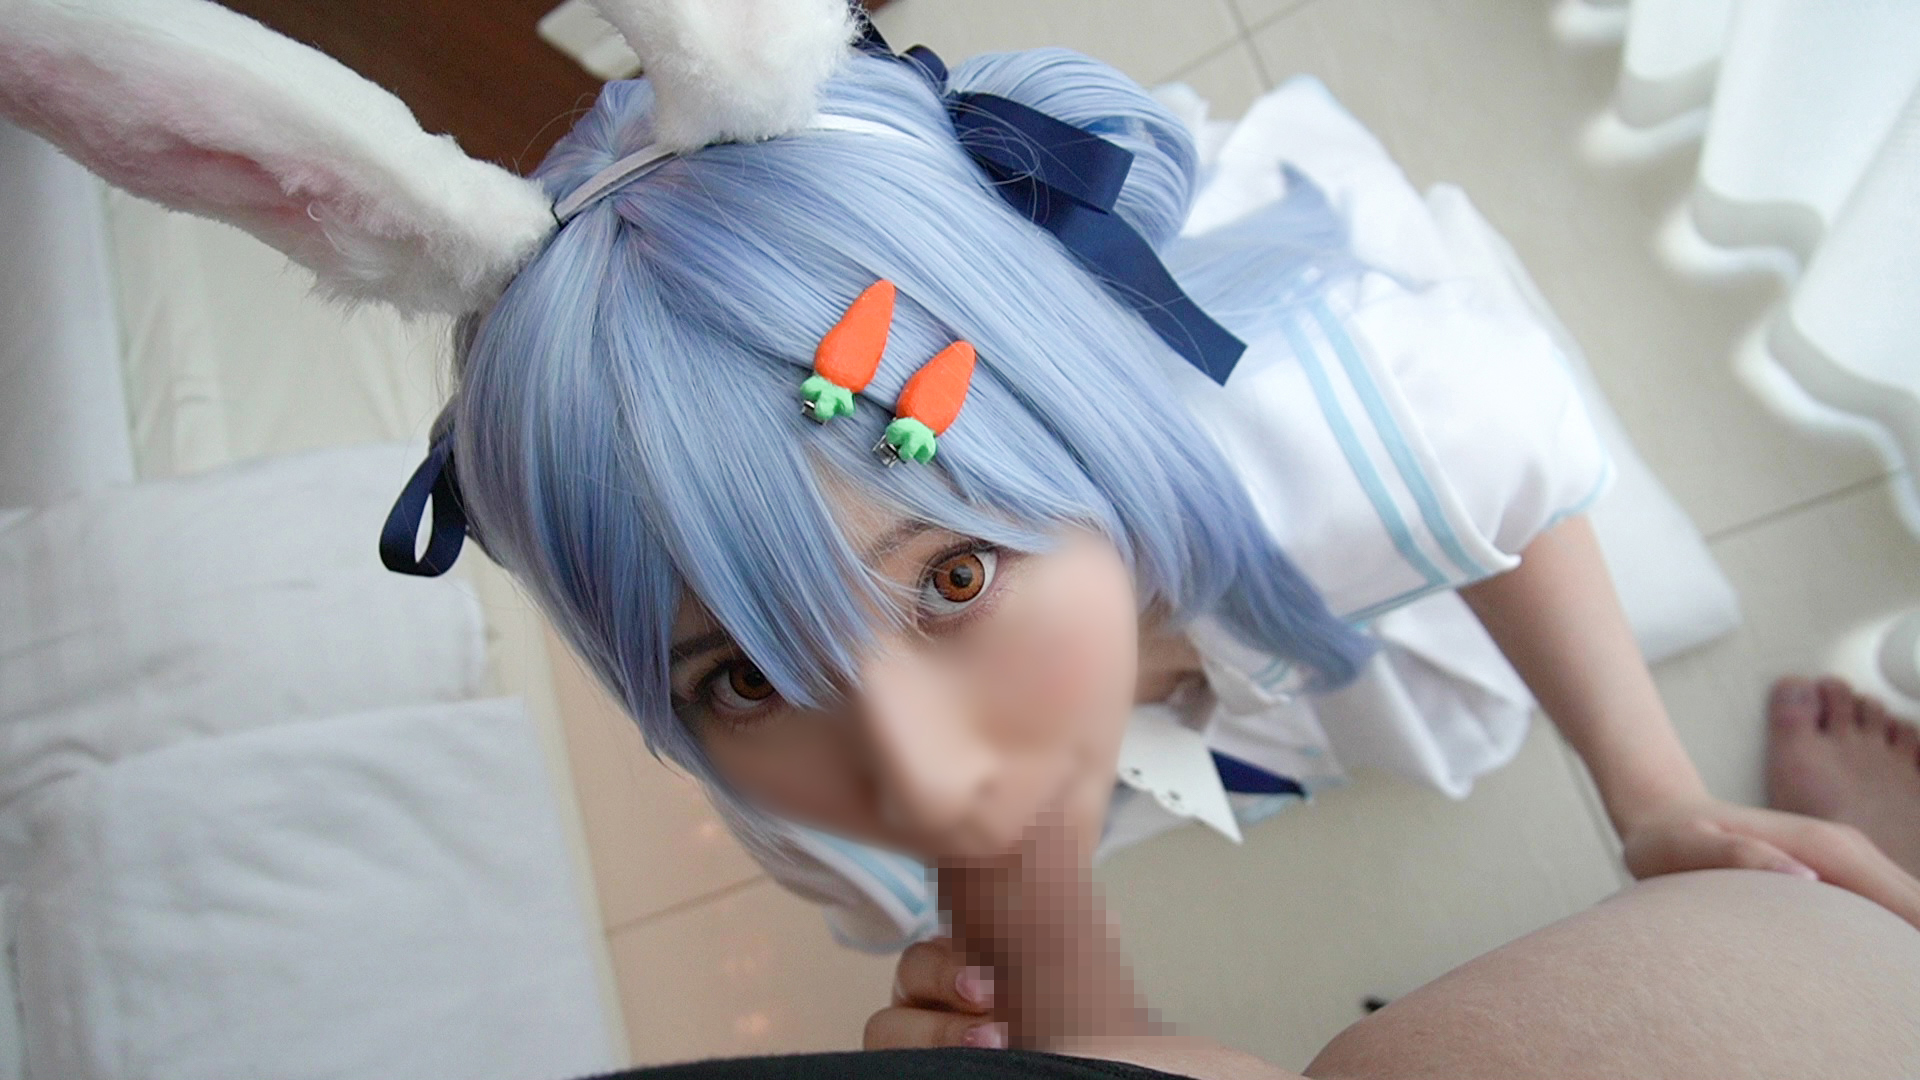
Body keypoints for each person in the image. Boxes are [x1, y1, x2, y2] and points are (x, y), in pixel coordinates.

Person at [6, 0, 1917, 1049]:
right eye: (741, 674)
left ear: (1068, 415)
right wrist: (1042, 1001)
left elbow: (1514, 511)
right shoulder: (838, 819)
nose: (912, 773)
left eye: (954, 575)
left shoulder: (1369, 429)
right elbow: (1047, 946)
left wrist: (1653, 796)